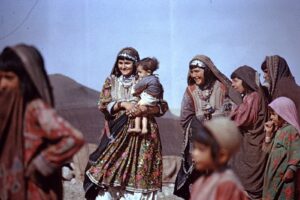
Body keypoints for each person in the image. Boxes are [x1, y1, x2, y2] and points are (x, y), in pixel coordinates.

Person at [0, 44, 84, 199]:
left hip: (33, 190)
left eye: (9, 78)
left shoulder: (35, 109)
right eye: (0, 77)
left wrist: (40, 165)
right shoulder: (7, 108)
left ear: (25, 80)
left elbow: (73, 138)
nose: (3, 84)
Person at [84, 47, 168, 200]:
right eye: (120, 63)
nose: (123, 66)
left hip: (143, 136)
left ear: (136, 64)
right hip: (117, 134)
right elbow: (103, 105)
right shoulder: (111, 80)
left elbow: (162, 106)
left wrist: (144, 109)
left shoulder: (147, 79)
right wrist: (123, 105)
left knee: (140, 174)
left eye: (127, 63)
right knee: (108, 172)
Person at [174, 55, 242, 199]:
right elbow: (185, 118)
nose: (194, 75)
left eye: (198, 71)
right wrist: (199, 127)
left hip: (221, 139)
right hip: (197, 140)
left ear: (207, 70)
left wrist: (217, 116)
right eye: (192, 72)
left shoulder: (223, 87)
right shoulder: (190, 91)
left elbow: (236, 110)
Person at [229, 65, 268, 199]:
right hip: (250, 144)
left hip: (253, 147)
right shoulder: (250, 96)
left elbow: (241, 120)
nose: (233, 85)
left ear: (245, 80)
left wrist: (231, 116)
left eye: (235, 80)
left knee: (248, 183)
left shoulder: (254, 97)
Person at [189, 117, 248, 200]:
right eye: (195, 148)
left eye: (201, 149)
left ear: (222, 155)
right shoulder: (202, 181)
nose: (194, 153)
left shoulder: (227, 186)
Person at [262, 97, 300, 200]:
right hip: (274, 173)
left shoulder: (291, 130)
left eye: (274, 114)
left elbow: (297, 151)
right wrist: (268, 133)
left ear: (284, 113)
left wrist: (291, 169)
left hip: (283, 175)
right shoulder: (279, 130)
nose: (271, 117)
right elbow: (266, 150)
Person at [128, 57, 163, 134]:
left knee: (138, 110)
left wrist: (134, 89)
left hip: (148, 98)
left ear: (148, 72)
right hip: (154, 100)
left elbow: (137, 87)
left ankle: (137, 127)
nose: (138, 74)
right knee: (145, 113)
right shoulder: (156, 79)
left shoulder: (146, 79)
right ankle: (144, 128)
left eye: (140, 72)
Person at [261, 55, 300, 119]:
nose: (264, 76)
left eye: (266, 72)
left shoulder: (283, 86)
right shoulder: (282, 85)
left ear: (275, 70)